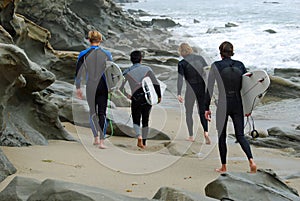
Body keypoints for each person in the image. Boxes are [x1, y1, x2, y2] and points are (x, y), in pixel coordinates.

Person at [204, 41, 257, 173]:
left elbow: (209, 88)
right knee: (240, 135)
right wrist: (248, 107)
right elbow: (247, 87)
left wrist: (206, 107)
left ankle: (224, 166)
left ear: (220, 52)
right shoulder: (240, 65)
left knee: (222, 136)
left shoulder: (216, 66)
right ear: (232, 52)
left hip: (223, 103)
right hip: (238, 104)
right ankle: (251, 161)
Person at [75, 30, 113, 149]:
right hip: (103, 86)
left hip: (91, 85)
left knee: (92, 112)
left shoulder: (83, 54)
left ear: (89, 40)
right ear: (100, 40)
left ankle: (95, 138)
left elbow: (78, 72)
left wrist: (78, 88)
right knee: (102, 113)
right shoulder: (107, 54)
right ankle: (102, 142)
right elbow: (112, 72)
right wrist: (113, 87)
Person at [120, 50, 161, 149]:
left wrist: (127, 95)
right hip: (147, 98)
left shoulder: (127, 71)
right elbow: (156, 83)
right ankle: (144, 142)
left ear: (131, 60)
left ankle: (139, 136)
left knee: (136, 120)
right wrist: (159, 96)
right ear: (141, 59)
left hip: (135, 98)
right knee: (145, 120)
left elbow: (120, 87)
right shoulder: (147, 69)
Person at [177, 43, 211, 144]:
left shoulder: (182, 63)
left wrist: (179, 93)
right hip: (201, 88)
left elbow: (180, 79)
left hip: (190, 90)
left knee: (189, 112)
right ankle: (206, 132)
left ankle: (191, 136)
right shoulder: (200, 58)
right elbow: (207, 71)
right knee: (202, 111)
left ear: (181, 52)